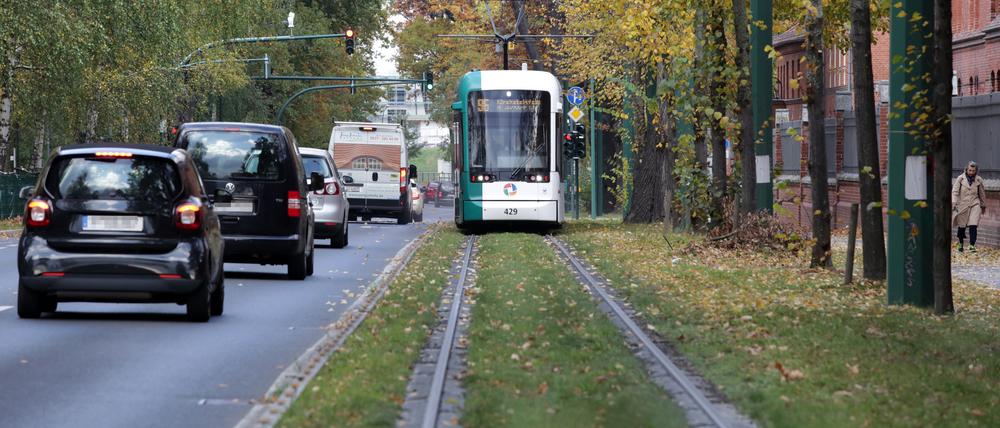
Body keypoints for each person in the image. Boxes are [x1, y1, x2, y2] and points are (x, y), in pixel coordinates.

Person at [952, 161, 987, 252]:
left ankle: (972, 245)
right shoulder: (960, 179)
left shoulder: (979, 180)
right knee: (962, 226)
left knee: (973, 225)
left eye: (973, 171)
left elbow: (982, 193)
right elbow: (955, 192)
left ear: (976, 171)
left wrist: (983, 205)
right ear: (966, 169)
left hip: (975, 204)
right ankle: (960, 243)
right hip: (962, 204)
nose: (971, 172)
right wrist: (954, 202)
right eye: (970, 170)